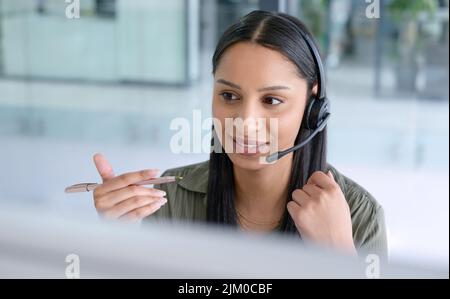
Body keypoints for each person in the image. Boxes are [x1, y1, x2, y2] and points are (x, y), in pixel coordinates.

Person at [91, 10, 387, 259]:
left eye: (271, 100)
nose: (245, 123)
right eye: (229, 95)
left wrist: (338, 257)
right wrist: (118, 242)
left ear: (313, 107)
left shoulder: (358, 216)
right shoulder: (170, 201)